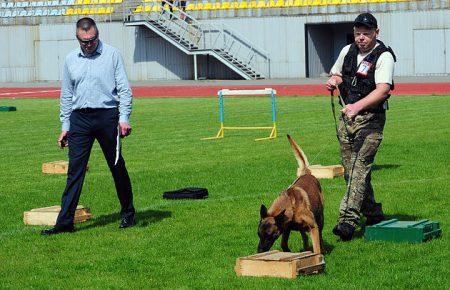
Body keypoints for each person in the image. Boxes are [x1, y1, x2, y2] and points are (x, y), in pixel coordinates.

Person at [41, 17, 136, 235]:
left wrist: (124, 118)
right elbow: (66, 95)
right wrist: (65, 125)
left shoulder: (112, 55)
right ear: (77, 38)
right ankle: (64, 223)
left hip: (107, 117)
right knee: (75, 171)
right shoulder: (70, 59)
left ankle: (128, 214)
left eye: (92, 40)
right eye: (84, 41)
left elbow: (124, 89)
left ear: (97, 35)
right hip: (79, 120)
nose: (89, 44)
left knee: (116, 166)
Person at [325, 12, 396, 241]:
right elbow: (336, 73)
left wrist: (357, 107)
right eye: (358, 33)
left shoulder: (384, 56)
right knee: (352, 171)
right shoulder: (347, 51)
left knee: (359, 166)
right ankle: (373, 213)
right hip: (347, 120)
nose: (361, 38)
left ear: (376, 32)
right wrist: (334, 80)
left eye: (366, 33)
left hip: (371, 120)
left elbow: (383, 89)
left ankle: (347, 221)